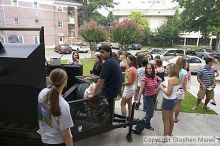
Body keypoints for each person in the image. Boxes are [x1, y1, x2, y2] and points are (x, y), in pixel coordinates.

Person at [38, 68, 74, 146]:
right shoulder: (64, 105)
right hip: (58, 142)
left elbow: (43, 117)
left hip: (45, 139)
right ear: (65, 82)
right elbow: (66, 135)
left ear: (50, 79)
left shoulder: (42, 93)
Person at [88, 45, 123, 122]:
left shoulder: (107, 63)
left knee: (87, 95)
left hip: (109, 91)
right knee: (93, 89)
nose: (101, 54)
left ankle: (97, 116)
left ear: (109, 52)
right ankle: (104, 112)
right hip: (115, 90)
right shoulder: (114, 60)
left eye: (103, 52)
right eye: (100, 52)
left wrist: (93, 94)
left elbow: (101, 81)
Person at [133, 63, 162, 134]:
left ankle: (148, 125)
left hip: (153, 96)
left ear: (153, 69)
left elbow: (155, 87)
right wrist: (138, 99)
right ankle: (139, 128)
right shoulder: (144, 78)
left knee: (148, 112)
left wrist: (160, 81)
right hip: (148, 97)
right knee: (150, 114)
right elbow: (141, 89)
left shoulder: (154, 77)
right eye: (147, 68)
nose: (148, 70)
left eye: (150, 68)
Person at [159, 64, 179, 138]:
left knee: (165, 119)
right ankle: (170, 133)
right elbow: (172, 90)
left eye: (168, 69)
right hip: (173, 100)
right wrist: (166, 87)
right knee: (171, 117)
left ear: (172, 70)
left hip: (168, 100)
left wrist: (161, 87)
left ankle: (164, 137)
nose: (166, 70)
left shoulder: (170, 80)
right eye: (166, 69)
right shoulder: (176, 78)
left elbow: (168, 94)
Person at [174, 57, 188, 123]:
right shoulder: (184, 72)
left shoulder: (174, 69)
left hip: (173, 88)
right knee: (178, 105)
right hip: (180, 89)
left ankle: (170, 116)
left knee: (172, 103)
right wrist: (185, 90)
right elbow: (184, 83)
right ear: (184, 63)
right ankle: (175, 118)